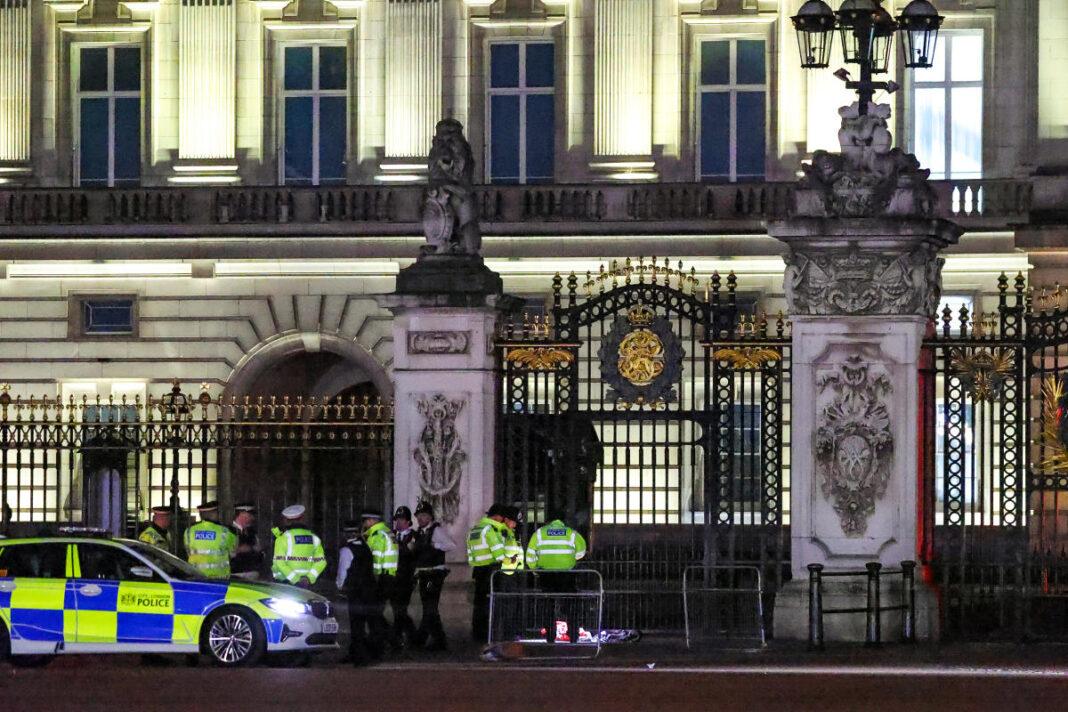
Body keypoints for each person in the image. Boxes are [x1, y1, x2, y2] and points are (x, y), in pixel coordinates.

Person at [526, 511, 588, 643]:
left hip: (546, 575)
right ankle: (573, 636)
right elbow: (581, 551)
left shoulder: (539, 533)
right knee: (571, 605)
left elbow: (530, 555)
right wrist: (570, 559)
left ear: (548, 521)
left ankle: (550, 636)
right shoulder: (571, 533)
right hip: (567, 575)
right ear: (563, 521)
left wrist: (535, 570)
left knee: (548, 606)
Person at [336, 519, 388, 666]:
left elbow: (343, 571)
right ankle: (371, 653)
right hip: (370, 590)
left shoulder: (346, 550)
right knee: (372, 623)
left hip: (356, 592)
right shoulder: (366, 547)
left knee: (357, 625)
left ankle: (359, 657)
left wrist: (340, 586)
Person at [411, 500, 455, 651]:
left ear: (430, 516)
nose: (420, 519)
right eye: (418, 516)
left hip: (434, 574)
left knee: (430, 606)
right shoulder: (420, 533)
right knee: (429, 607)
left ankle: (429, 639)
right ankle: (431, 639)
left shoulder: (436, 531)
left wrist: (435, 545)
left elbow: (451, 545)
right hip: (424, 573)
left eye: (423, 515)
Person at [466, 504, 511, 642]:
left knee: (479, 604)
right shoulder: (490, 530)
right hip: (491, 572)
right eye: (503, 518)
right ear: (497, 517)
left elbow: (471, 553)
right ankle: (488, 635)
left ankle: (478, 634)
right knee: (490, 605)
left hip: (478, 570)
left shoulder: (475, 529)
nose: (503, 521)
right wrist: (511, 560)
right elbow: (499, 554)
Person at [271, 504, 327, 588]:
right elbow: (321, 562)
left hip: (285, 584)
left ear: (286, 521)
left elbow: (280, 562)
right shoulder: (314, 538)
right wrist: (309, 578)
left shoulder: (283, 539)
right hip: (307, 585)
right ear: (302, 519)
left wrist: (296, 579)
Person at [183, 501, 237, 579]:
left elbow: (188, 551)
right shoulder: (225, 532)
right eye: (217, 513)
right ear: (214, 514)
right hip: (219, 579)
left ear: (201, 515)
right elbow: (233, 553)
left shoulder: (188, 531)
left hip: (195, 577)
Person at [390, 506, 417, 648]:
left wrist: (399, 545)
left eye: (401, 520)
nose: (398, 523)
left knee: (400, 608)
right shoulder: (391, 535)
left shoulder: (413, 535)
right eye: (397, 520)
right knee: (397, 609)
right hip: (393, 578)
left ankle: (399, 636)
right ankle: (410, 635)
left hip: (406, 578)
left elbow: (411, 553)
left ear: (408, 521)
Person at [229, 502, 263, 580]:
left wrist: (253, 549)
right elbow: (227, 552)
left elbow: (259, 549)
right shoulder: (229, 531)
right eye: (250, 515)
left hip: (252, 572)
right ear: (242, 514)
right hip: (236, 573)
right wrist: (239, 550)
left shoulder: (252, 532)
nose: (252, 518)